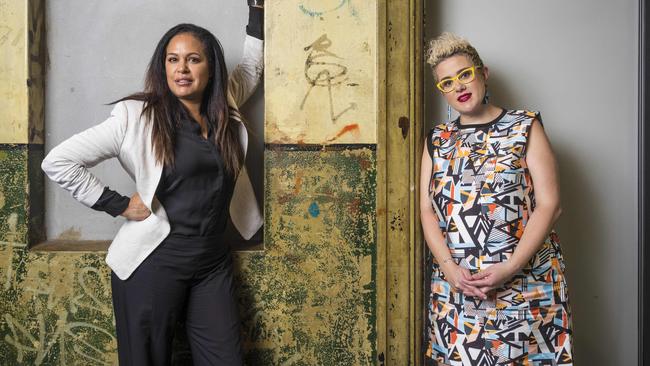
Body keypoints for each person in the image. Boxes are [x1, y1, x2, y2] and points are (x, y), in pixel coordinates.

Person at [41, 3, 264, 365]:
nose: (182, 69)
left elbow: (252, 67)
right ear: (163, 66)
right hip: (153, 263)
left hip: (211, 263)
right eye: (173, 60)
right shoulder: (135, 116)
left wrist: (258, 9)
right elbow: (58, 160)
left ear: (211, 69)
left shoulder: (224, 106)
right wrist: (116, 203)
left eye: (193, 59)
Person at [420, 32, 573, 365]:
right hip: (459, 291)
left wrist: (510, 267)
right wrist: (450, 271)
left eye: (464, 75)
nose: (458, 86)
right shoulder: (436, 140)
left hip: (526, 286)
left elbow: (550, 203)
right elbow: (427, 211)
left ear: (482, 73)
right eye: (446, 83)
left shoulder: (525, 125)